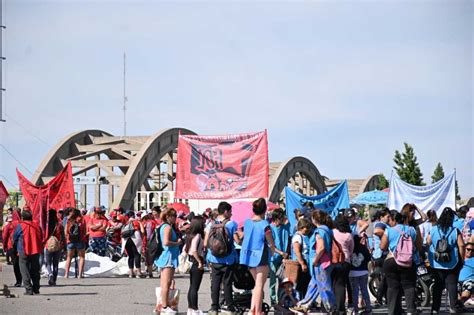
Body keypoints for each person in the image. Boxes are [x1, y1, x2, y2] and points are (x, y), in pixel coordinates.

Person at [240, 198, 284, 315]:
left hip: (248, 257)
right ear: (265, 210)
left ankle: (252, 310)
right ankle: (258, 311)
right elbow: (271, 243)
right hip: (261, 256)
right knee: (260, 286)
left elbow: (242, 237)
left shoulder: (247, 223)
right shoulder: (265, 225)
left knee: (256, 285)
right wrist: (275, 250)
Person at [377, 206, 420, 315]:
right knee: (409, 285)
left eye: (390, 220)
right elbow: (418, 245)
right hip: (408, 261)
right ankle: (411, 310)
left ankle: (393, 310)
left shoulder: (389, 230)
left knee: (392, 286)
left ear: (394, 219)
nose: (389, 222)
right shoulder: (411, 230)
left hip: (391, 260)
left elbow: (382, 247)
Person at [291, 210, 336, 314]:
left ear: (314, 219)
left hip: (321, 263)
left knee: (324, 287)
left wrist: (315, 261)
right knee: (313, 285)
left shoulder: (319, 231)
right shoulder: (327, 229)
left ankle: (332, 309)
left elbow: (321, 248)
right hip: (325, 262)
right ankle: (304, 305)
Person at [426, 207, 466, 314]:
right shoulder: (455, 230)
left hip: (436, 262)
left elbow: (428, 241)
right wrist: (462, 260)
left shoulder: (433, 229)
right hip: (452, 263)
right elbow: (461, 245)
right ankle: (453, 307)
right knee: (452, 284)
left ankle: (435, 309)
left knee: (438, 286)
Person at [205, 201, 240, 315]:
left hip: (214, 259)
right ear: (225, 212)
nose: (231, 214)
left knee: (215, 284)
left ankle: (214, 307)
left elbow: (206, 243)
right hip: (228, 259)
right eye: (230, 211)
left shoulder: (211, 224)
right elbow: (237, 240)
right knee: (227, 283)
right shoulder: (231, 224)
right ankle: (229, 307)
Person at [155, 208, 182, 314]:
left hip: (165, 256)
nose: (175, 218)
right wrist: (177, 243)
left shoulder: (163, 226)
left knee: (164, 283)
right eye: (173, 216)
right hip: (168, 256)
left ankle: (161, 304)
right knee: (166, 283)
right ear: (168, 217)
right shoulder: (167, 227)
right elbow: (166, 242)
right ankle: (165, 307)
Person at [13, 210, 43, 295]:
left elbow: (14, 237)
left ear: (22, 217)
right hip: (35, 250)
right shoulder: (37, 225)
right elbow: (41, 236)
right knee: (35, 270)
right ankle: (36, 288)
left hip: (23, 250)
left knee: (24, 270)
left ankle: (29, 289)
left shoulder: (20, 226)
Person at [331, 214, 354, 314]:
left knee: (333, 283)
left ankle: (333, 306)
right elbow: (351, 250)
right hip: (346, 261)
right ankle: (341, 308)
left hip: (334, 260)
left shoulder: (332, 232)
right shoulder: (349, 235)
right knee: (341, 284)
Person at [184, 215, 206, 315]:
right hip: (197, 260)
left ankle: (190, 308)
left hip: (192, 261)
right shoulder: (198, 235)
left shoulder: (190, 234)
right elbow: (193, 250)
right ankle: (195, 309)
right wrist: (200, 262)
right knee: (195, 287)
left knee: (192, 286)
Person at [269, 208, 290, 306]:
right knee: (272, 281)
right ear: (276, 218)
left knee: (282, 281)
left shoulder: (285, 227)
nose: (282, 220)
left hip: (283, 258)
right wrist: (281, 253)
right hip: (273, 258)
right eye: (281, 218)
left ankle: (281, 299)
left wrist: (285, 254)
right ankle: (273, 301)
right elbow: (271, 245)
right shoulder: (270, 228)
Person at [348, 235, 372, 315]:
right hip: (364, 272)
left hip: (352, 272)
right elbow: (369, 258)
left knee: (355, 292)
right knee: (364, 290)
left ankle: (355, 310)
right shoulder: (363, 247)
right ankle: (368, 308)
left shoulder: (350, 248)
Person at [291, 218, 312, 299]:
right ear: (302, 227)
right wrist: (302, 264)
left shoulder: (305, 236)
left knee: (305, 284)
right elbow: (297, 252)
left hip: (306, 262)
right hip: (299, 264)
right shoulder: (297, 237)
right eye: (306, 228)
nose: (308, 230)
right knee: (299, 284)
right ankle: (298, 301)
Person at [122, 210, 146, 278]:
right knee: (137, 255)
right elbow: (142, 231)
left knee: (130, 256)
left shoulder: (126, 223)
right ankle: (138, 272)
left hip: (126, 240)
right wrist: (140, 223)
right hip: (135, 238)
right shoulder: (136, 221)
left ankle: (131, 273)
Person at [64, 209, 87, 278]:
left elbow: (65, 232)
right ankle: (80, 275)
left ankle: (66, 274)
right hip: (80, 240)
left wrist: (68, 238)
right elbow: (85, 231)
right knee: (82, 257)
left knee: (69, 258)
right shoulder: (82, 220)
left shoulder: (69, 220)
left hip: (70, 241)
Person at [44, 209, 64, 286]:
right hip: (57, 245)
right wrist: (64, 246)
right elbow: (63, 236)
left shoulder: (46, 226)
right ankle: (54, 280)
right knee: (56, 264)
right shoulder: (59, 225)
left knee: (48, 263)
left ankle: (50, 274)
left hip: (48, 245)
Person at [4, 208, 22, 286]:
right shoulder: (22, 223)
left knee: (15, 264)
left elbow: (4, 237)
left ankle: (18, 281)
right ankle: (24, 279)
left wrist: (5, 247)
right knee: (22, 263)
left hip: (11, 245)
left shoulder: (9, 225)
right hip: (21, 245)